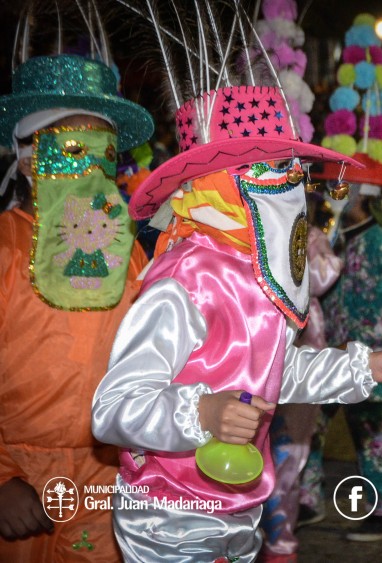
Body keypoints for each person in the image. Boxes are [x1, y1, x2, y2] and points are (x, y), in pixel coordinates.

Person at [89, 7, 382, 561]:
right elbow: (112, 408)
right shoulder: (187, 279)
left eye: (293, 173)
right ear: (222, 187)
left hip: (241, 508)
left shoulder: (256, 272)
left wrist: (365, 366)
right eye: (272, 172)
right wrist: (201, 415)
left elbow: (269, 372)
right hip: (169, 517)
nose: (290, 192)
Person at [0, 52, 153, 561]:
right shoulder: (3, 250)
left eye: (103, 152)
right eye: (72, 147)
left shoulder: (128, 252)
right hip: (19, 487)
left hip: (108, 482)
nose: (90, 167)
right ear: (26, 155)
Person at [299, 176, 382, 542]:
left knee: (371, 434)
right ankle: (306, 498)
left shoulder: (380, 244)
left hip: (364, 362)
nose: (330, 196)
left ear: (361, 197)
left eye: (339, 189)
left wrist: (364, 353)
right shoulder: (337, 239)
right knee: (310, 425)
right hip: (333, 357)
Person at [261, 201, 345, 562]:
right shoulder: (249, 231)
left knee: (288, 456)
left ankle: (280, 543)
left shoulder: (309, 237)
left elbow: (325, 274)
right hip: (258, 355)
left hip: (302, 348)